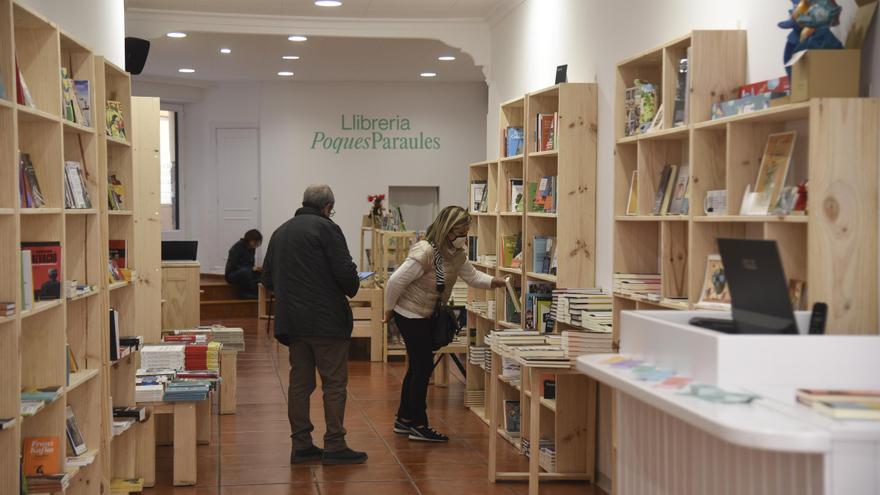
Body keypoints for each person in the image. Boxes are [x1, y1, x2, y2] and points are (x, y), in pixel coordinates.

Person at [261, 184, 367, 466]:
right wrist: (351, 284)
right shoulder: (327, 229)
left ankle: (301, 445)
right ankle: (334, 444)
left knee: (300, 383)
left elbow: (267, 279)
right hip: (327, 322)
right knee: (333, 383)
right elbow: (346, 274)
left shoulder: (280, 231)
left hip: (293, 324)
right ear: (327, 207)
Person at [383, 206, 506, 442]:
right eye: (462, 231)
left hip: (426, 314)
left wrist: (496, 282)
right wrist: (388, 310)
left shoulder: (456, 254)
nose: (465, 236)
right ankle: (419, 425)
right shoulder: (426, 251)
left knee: (418, 368)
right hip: (409, 314)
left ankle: (404, 419)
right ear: (448, 230)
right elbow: (395, 282)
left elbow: (473, 277)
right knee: (422, 369)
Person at [224, 229, 263, 299]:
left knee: (261, 273)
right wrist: (251, 268)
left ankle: (256, 292)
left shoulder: (252, 248)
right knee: (245, 272)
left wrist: (255, 268)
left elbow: (250, 264)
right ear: (250, 239)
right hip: (232, 274)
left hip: (246, 271)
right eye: (255, 241)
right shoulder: (236, 247)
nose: (257, 244)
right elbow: (233, 265)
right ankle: (244, 293)